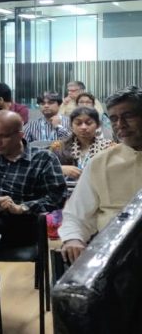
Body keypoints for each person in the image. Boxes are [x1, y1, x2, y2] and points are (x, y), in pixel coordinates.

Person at [0, 110, 65, 249]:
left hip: (21, 226)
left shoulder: (43, 159)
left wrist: (22, 208)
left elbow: (58, 197)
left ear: (20, 135)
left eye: (4, 136)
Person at [60, 86, 142, 263]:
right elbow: (76, 215)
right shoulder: (100, 163)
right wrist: (73, 238)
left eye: (128, 116)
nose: (120, 124)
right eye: (114, 119)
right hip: (114, 256)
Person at [51, 107, 113, 180]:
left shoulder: (109, 147)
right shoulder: (59, 147)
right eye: (78, 123)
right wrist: (61, 169)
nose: (83, 127)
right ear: (71, 126)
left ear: (98, 125)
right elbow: (45, 170)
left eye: (89, 123)